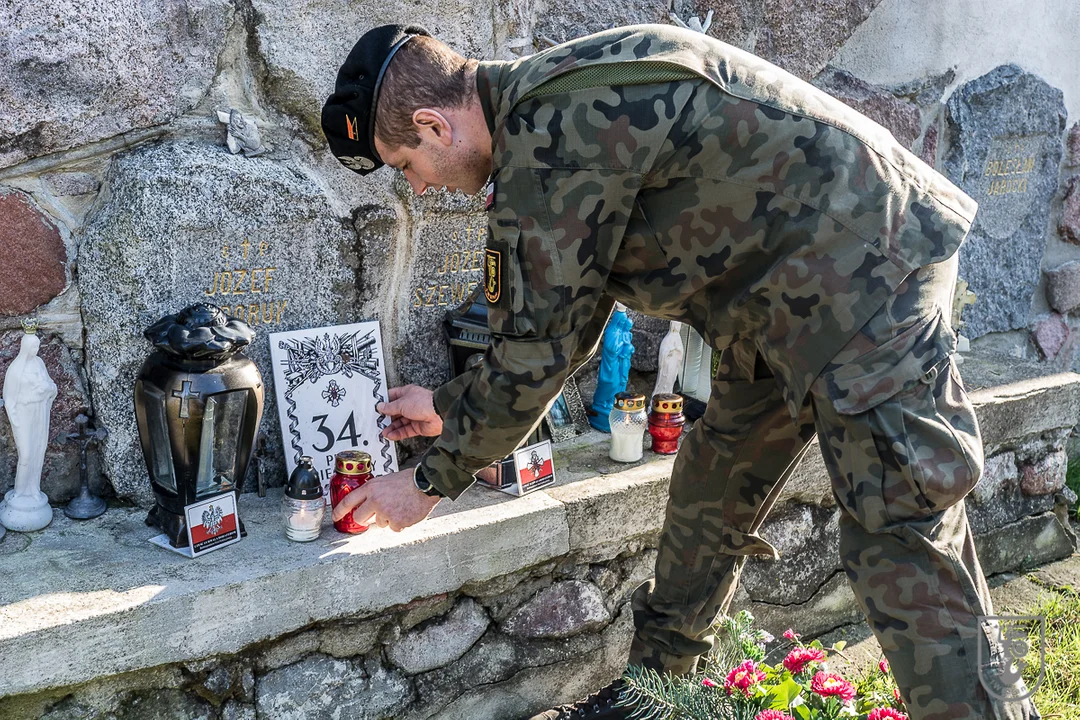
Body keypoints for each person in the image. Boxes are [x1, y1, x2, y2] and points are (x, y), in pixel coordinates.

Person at [320, 23, 1039, 720]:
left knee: (899, 531)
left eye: (407, 165)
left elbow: (538, 351)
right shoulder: (547, 110)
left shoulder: (549, 141)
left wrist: (426, 482)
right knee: (713, 487)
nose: (419, 186)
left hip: (868, 279)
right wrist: (452, 407)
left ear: (433, 125)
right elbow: (564, 322)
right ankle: (656, 698)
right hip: (781, 301)